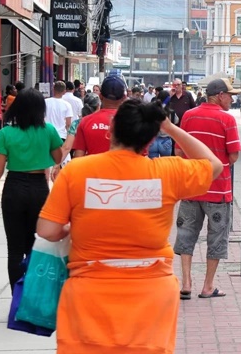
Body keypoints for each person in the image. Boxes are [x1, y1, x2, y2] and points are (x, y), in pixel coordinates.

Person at [36, 99, 223, 353]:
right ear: (149, 141)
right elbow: (215, 165)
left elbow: (47, 230)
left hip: (89, 293)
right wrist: (170, 128)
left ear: (110, 129)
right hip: (151, 295)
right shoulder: (167, 172)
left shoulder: (77, 171)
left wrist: (74, 228)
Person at [0, 88, 63, 291]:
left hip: (13, 188)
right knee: (35, 245)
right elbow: (58, 157)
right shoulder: (48, 130)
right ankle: (32, 296)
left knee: (14, 249)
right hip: (38, 189)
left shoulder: (6, 133)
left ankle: (17, 297)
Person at [174, 78, 241, 300]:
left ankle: (186, 282)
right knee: (216, 237)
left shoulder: (188, 116)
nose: (232, 99)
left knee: (186, 234)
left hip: (191, 187)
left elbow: (179, 152)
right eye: (230, 95)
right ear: (219, 95)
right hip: (218, 190)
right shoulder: (227, 119)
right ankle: (208, 285)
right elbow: (233, 156)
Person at [72, 76, 126, 157]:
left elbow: (78, 157)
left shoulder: (85, 122)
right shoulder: (132, 123)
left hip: (91, 169)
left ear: (100, 96)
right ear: (124, 98)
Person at [52, 93, 101, 180]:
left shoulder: (77, 123)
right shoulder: (102, 123)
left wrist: (56, 164)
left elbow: (67, 147)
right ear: (98, 106)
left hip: (80, 167)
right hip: (100, 167)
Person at [148, 90, 178, 158]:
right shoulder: (171, 112)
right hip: (166, 141)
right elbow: (176, 121)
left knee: (152, 164)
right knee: (165, 164)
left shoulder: (153, 111)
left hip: (153, 140)